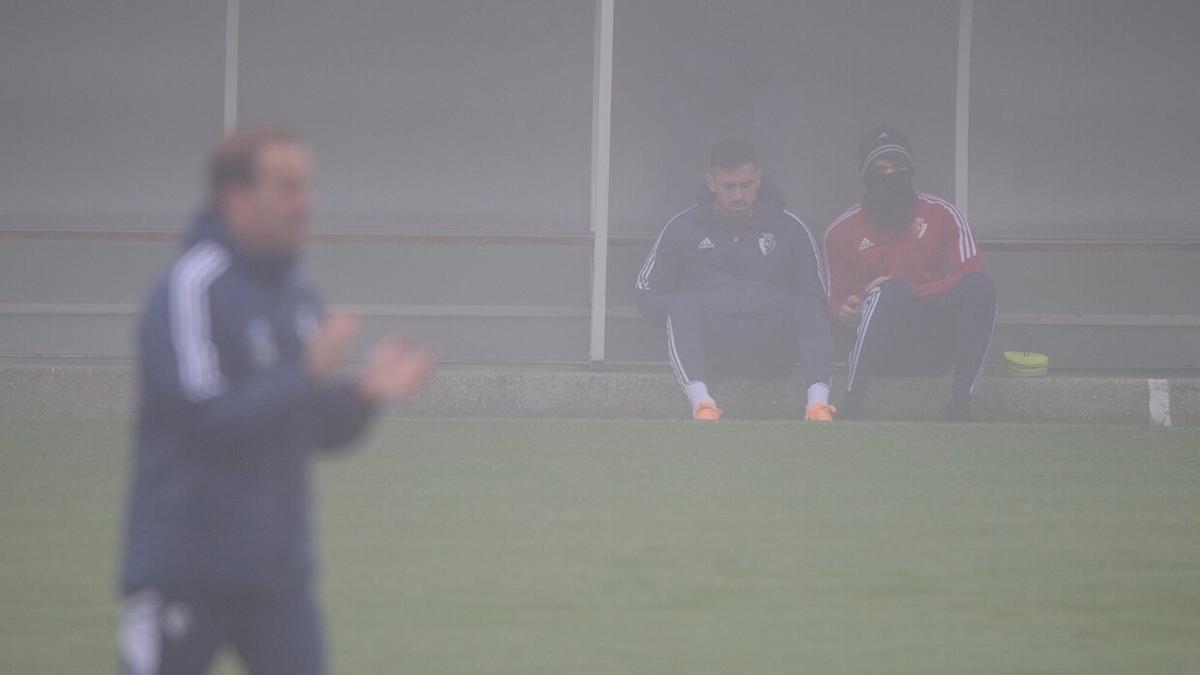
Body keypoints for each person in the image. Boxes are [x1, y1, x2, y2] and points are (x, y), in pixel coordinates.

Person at [118, 129, 434, 675]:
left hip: (276, 576)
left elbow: (310, 427)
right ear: (236, 198)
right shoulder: (191, 288)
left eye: (307, 187)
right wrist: (304, 373)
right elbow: (204, 422)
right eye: (287, 188)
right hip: (185, 568)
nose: (305, 203)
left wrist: (362, 394)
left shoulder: (298, 293)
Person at [635, 138, 835, 422]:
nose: (739, 195)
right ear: (711, 183)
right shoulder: (684, 227)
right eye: (729, 186)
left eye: (747, 185)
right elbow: (646, 291)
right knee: (680, 304)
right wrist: (696, 308)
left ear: (759, 180)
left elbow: (816, 296)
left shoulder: (789, 228)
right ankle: (702, 403)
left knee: (809, 306)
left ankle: (817, 405)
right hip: (711, 352)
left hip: (771, 351)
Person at [824, 126, 996, 421]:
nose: (890, 176)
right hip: (881, 350)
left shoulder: (943, 215)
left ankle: (960, 403)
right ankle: (852, 403)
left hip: (935, 344)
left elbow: (972, 277)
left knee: (977, 288)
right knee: (891, 294)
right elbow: (832, 300)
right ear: (865, 176)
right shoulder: (840, 231)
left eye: (898, 167)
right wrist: (847, 309)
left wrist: (901, 290)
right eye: (880, 169)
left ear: (912, 171)